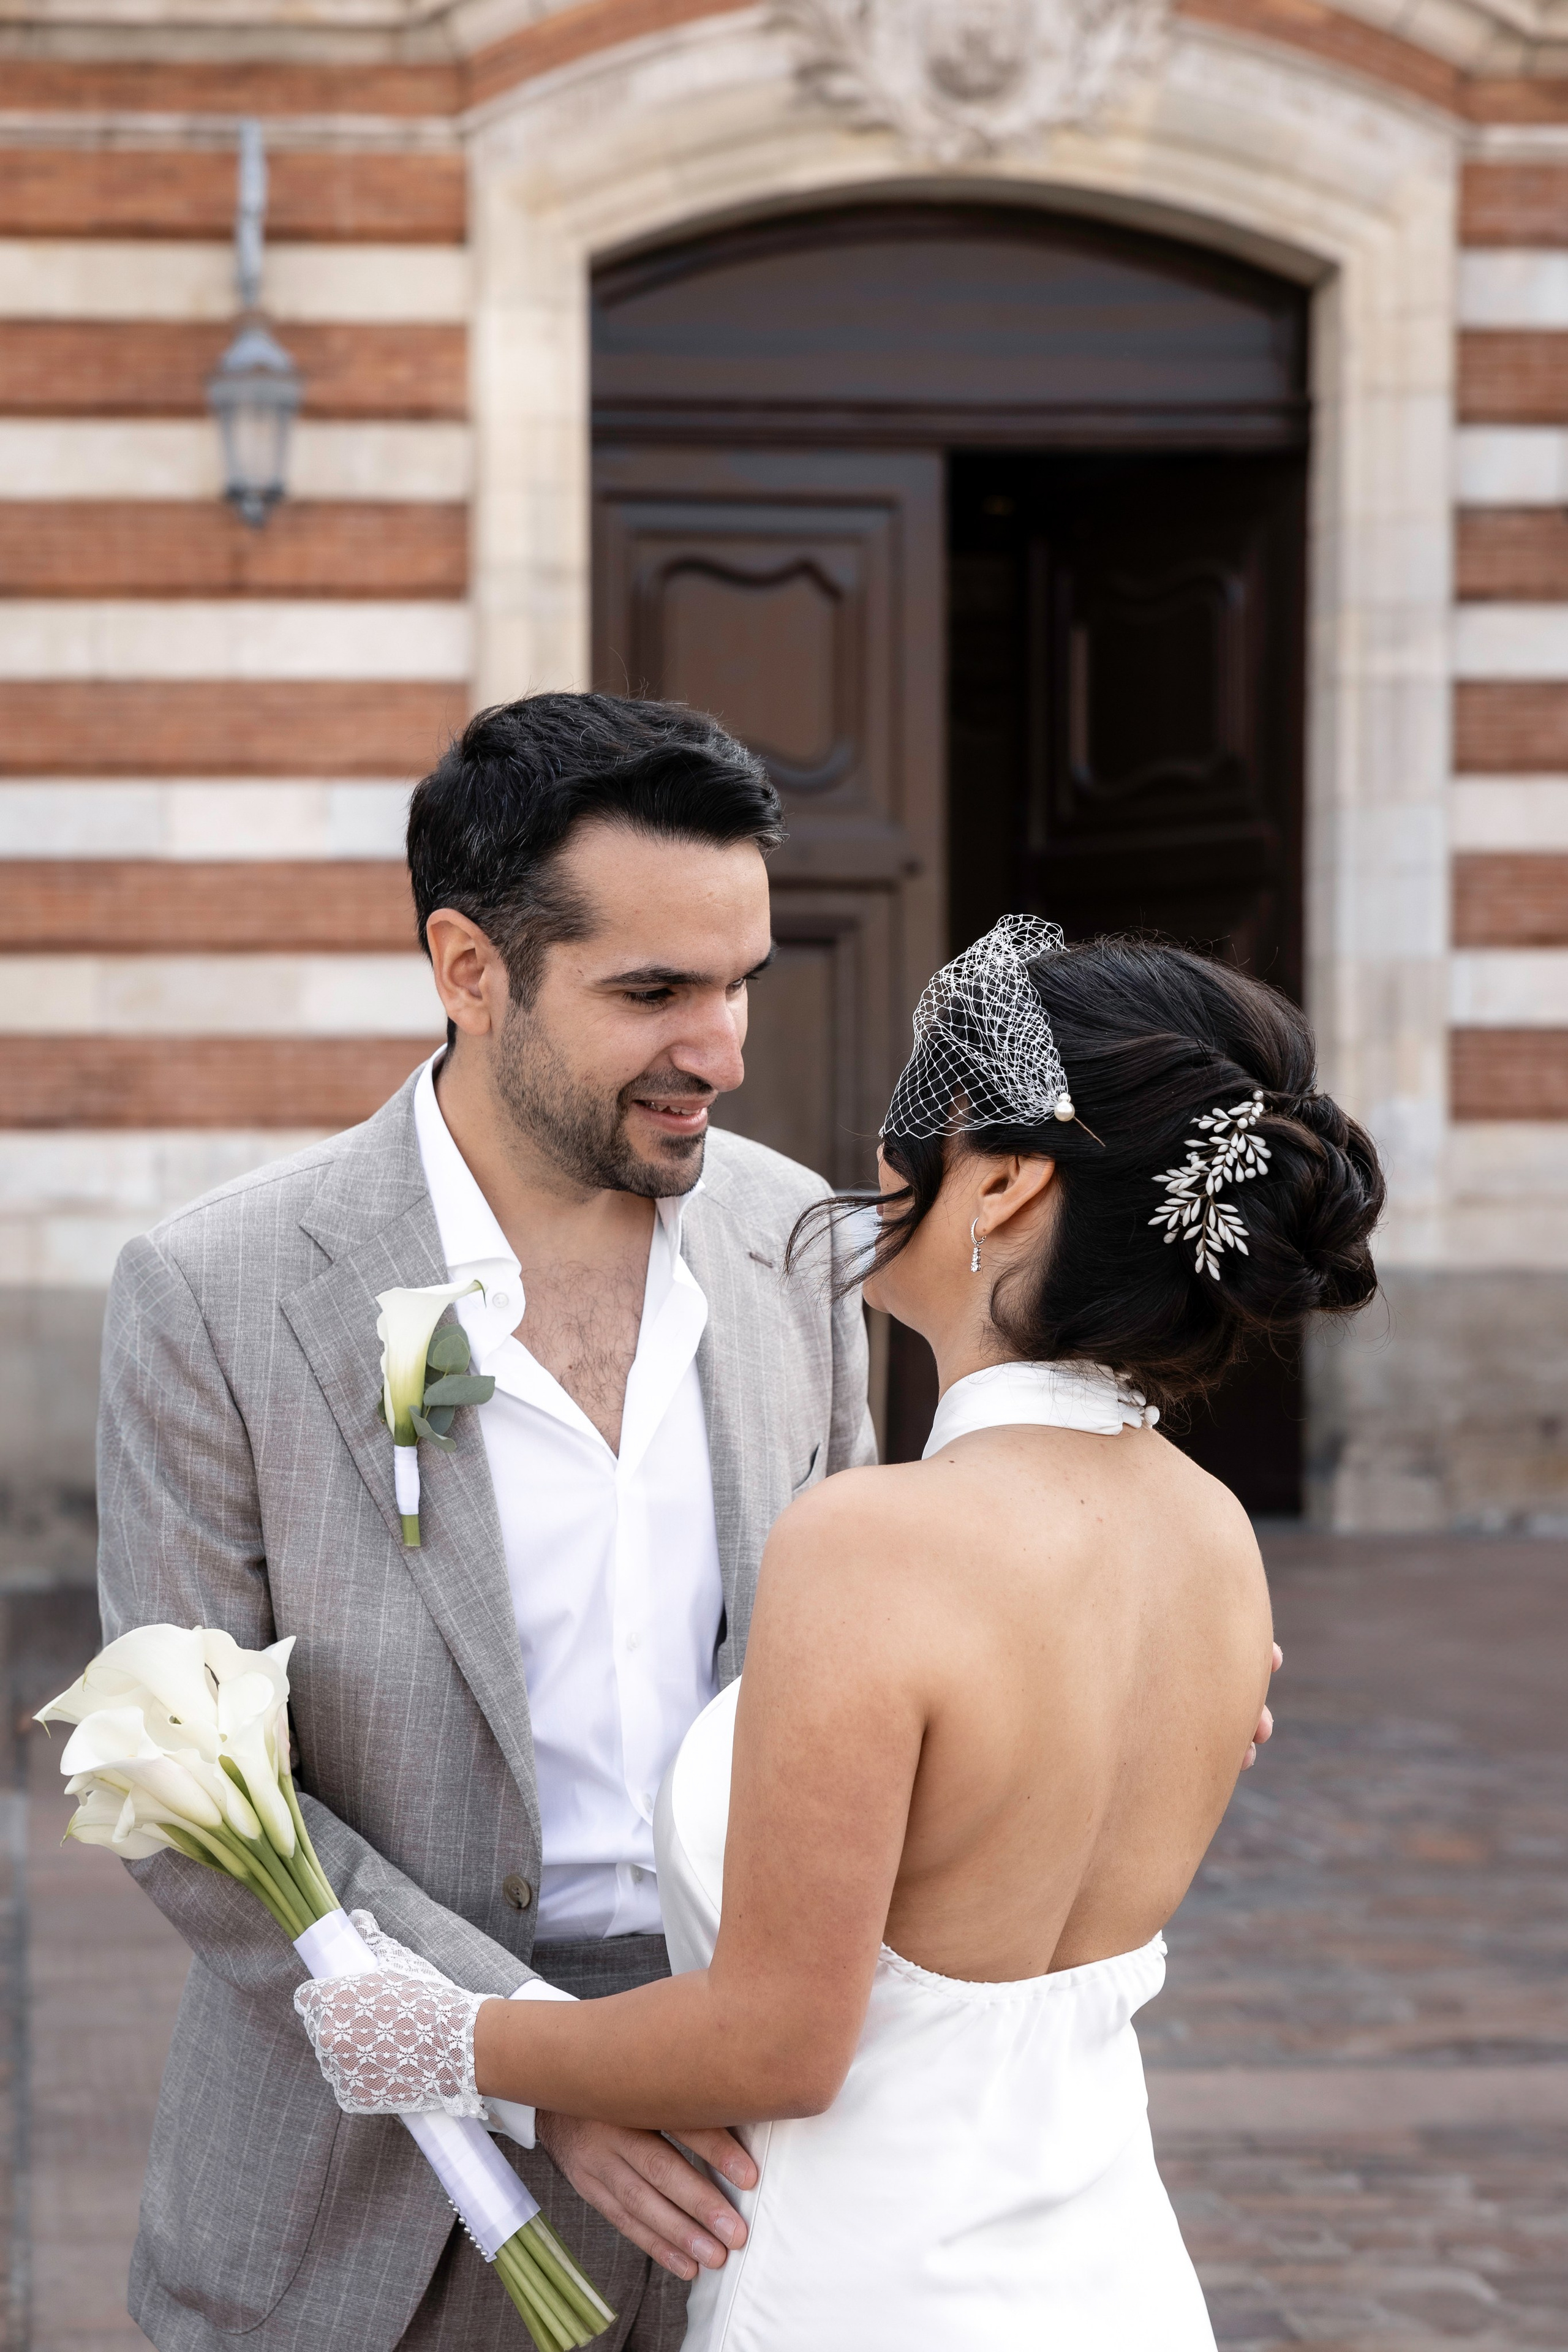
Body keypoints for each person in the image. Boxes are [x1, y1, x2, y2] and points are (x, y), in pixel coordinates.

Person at [295, 915, 1384, 2348]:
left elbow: (777, 2041)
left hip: (868, 2292)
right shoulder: (1211, 1540)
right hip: (1114, 2283)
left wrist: (443, 2041)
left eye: (906, 1133)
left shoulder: (873, 1544)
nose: (874, 1171)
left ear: (997, 1181)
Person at [96, 693, 876, 2352]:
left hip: (756, 2163)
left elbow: (862, 1668)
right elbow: (185, 1783)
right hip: (348, 2184)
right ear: (469, 969)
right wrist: (525, 2063)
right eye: (653, 992)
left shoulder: (795, 1239)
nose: (721, 1051)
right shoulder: (217, 1289)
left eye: (738, 984)